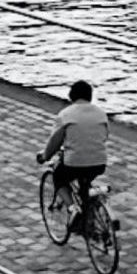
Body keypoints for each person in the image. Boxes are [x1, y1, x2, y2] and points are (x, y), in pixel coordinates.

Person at [36, 80, 109, 235]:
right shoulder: (101, 114)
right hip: (99, 162)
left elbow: (54, 143)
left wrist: (44, 156)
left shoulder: (66, 115)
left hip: (74, 162)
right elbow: (103, 137)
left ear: (71, 96)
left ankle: (72, 208)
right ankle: (88, 222)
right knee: (85, 184)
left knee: (59, 177)